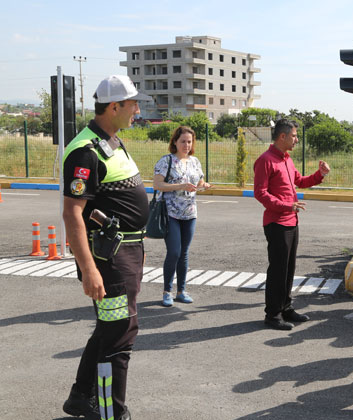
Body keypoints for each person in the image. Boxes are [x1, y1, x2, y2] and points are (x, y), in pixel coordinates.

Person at [62, 75, 151, 420]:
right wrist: (89, 270)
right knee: (119, 334)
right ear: (114, 107)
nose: (137, 111)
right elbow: (73, 213)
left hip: (126, 254)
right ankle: (110, 412)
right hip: (110, 259)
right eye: (133, 104)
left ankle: (80, 397)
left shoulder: (111, 140)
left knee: (109, 328)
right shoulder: (86, 151)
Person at [254, 119, 331, 330]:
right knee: (278, 270)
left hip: (291, 221)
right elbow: (260, 193)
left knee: (288, 269)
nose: (297, 139)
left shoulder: (286, 159)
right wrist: (287, 206)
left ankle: (286, 308)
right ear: (282, 136)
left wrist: (321, 174)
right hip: (276, 222)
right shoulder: (266, 160)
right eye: (294, 136)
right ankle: (272, 315)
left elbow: (301, 181)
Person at [153, 126, 211, 307]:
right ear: (175, 142)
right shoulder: (167, 161)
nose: (186, 145)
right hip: (170, 212)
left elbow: (199, 181)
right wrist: (179, 186)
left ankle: (181, 291)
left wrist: (204, 185)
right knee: (174, 252)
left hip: (190, 213)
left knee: (184, 253)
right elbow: (157, 184)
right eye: (183, 141)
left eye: (189, 141)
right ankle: (167, 291)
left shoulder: (195, 161)